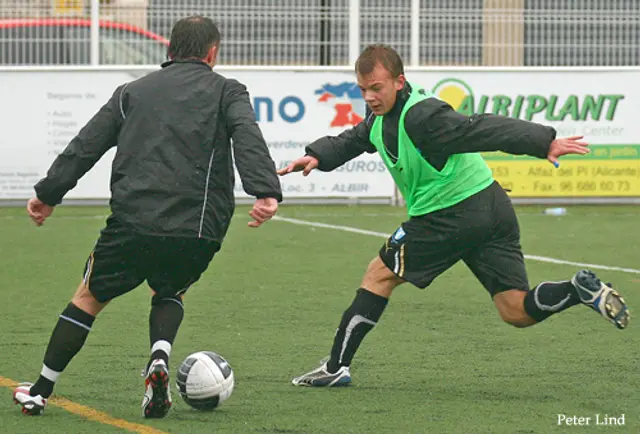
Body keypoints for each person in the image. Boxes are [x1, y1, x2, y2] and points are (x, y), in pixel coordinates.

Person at [279, 44, 630, 388]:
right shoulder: (380, 118)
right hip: (491, 208)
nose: (369, 96)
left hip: (450, 215)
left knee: (378, 274)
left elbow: (481, 128)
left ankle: (336, 367)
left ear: (399, 82)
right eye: (363, 89)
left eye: (376, 87)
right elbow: (354, 139)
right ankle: (578, 290)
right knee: (515, 310)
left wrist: (543, 142)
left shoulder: (422, 116)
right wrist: (317, 157)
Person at [13, 15, 282, 417]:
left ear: (168, 51)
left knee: (88, 298)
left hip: (133, 223)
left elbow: (87, 144)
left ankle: (39, 390)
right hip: (199, 226)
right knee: (170, 290)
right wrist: (265, 190)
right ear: (212, 53)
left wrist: (49, 193)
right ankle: (159, 357)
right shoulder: (228, 90)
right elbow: (247, 133)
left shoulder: (131, 92)